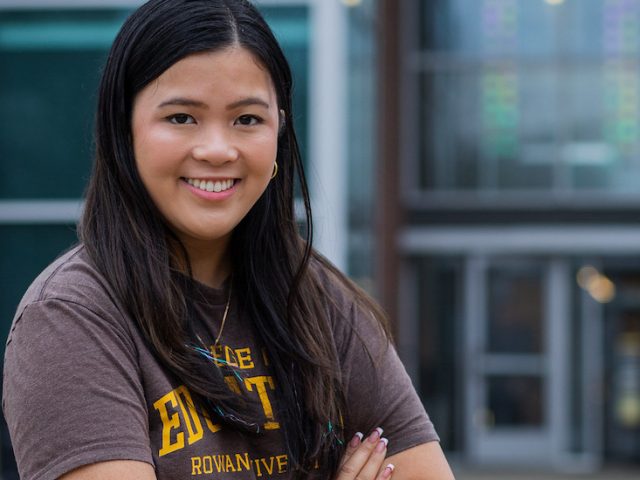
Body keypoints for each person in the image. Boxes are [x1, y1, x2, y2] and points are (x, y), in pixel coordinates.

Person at [2, 1, 454, 479]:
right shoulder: (71, 316)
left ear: (279, 131)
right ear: (123, 130)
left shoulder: (320, 301)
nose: (217, 150)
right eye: (181, 118)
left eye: (247, 120)